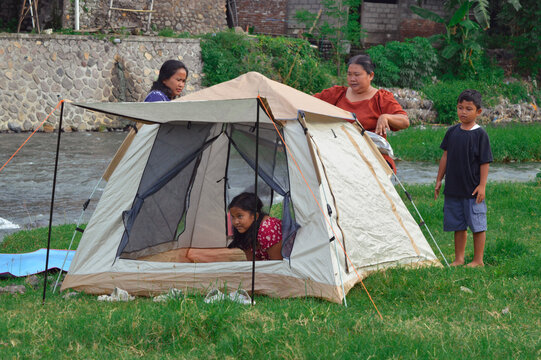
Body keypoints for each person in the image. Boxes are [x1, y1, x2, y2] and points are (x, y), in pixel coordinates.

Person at [314, 54, 409, 173]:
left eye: (357, 75)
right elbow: (306, 103)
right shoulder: (336, 94)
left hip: (373, 163)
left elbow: (404, 121)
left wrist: (386, 117)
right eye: (349, 74)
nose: (352, 79)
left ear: (371, 76)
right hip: (339, 160)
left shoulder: (381, 98)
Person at [434, 89, 493, 267]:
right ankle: (459, 258)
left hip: (473, 189)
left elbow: (485, 162)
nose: (463, 112)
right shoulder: (452, 132)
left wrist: (482, 186)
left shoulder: (481, 135)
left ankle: (478, 260)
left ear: (478, 112)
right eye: (460, 108)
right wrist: (439, 180)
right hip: (453, 188)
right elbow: (445, 156)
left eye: (469, 109)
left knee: (477, 225)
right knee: (458, 225)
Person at [227, 192, 283, 261]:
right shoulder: (245, 229)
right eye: (233, 217)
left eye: (240, 216)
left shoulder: (268, 229)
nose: (235, 222)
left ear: (255, 216)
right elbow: (252, 262)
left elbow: (278, 264)